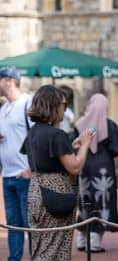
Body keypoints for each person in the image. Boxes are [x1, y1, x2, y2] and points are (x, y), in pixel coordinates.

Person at [21, 85, 95, 260]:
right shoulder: (56, 134)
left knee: (41, 248)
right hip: (54, 195)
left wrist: (72, 146)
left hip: (36, 192)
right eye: (64, 103)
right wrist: (85, 144)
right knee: (55, 250)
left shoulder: (34, 132)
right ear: (53, 105)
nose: (65, 107)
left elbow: (44, 159)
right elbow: (75, 167)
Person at [72, 94, 118, 252]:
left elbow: (71, 144)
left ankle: (82, 238)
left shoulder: (80, 124)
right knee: (102, 203)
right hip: (104, 170)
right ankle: (94, 240)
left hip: (83, 167)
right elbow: (117, 148)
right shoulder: (109, 125)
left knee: (86, 202)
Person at [0, 66, 32, 261]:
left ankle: (37, 257)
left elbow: (38, 138)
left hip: (25, 176)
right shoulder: (2, 109)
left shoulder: (28, 103)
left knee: (30, 224)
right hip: (7, 175)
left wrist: (32, 169)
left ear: (8, 81)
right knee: (13, 225)